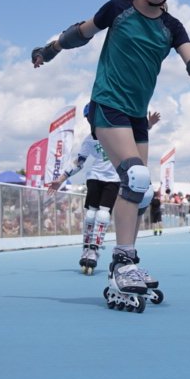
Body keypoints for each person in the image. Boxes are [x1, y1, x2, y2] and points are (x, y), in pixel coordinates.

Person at [32, 0, 190, 310]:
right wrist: (50, 49)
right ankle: (121, 264)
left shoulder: (171, 26)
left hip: (136, 114)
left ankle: (127, 259)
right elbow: (82, 32)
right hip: (108, 104)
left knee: (139, 191)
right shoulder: (118, 10)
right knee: (135, 177)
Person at [49, 105, 159, 274]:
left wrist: (148, 125)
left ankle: (94, 250)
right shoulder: (89, 140)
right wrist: (61, 179)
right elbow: (79, 162)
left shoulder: (114, 134)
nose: (91, 120)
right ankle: (86, 249)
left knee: (103, 215)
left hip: (113, 179)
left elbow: (132, 136)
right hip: (94, 177)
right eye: (88, 117)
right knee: (91, 214)